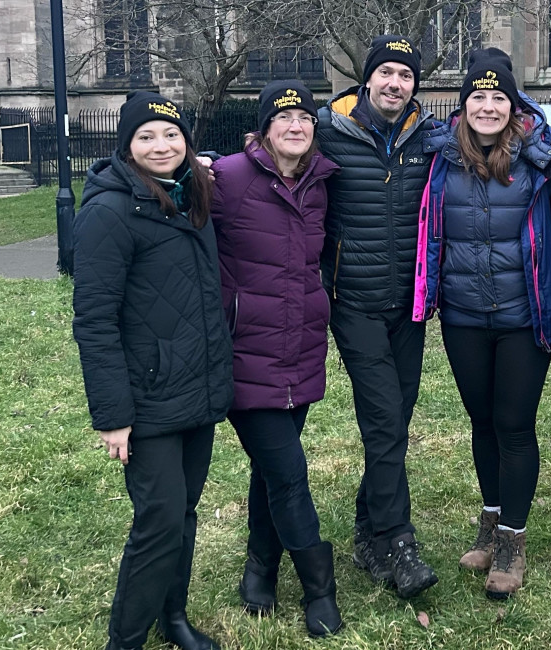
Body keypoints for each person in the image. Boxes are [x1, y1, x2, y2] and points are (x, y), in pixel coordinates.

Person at [72, 91, 233, 650]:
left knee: (183, 513)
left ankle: (175, 618)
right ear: (127, 145)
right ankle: (126, 640)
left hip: (199, 387)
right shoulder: (109, 212)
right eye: (147, 136)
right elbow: (93, 322)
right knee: (159, 521)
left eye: (171, 134)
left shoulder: (194, 195)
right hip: (147, 400)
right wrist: (113, 417)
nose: (161, 145)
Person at [414, 48, 551, 599]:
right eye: (477, 96)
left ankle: (512, 542)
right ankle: (490, 519)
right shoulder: (439, 158)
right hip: (462, 314)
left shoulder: (539, 157)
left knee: (514, 426)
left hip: (524, 316)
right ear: (463, 105)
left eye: (498, 96)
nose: (487, 106)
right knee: (482, 421)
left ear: (513, 103)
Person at [210, 80, 342, 637]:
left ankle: (258, 569)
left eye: (305, 117)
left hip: (301, 349)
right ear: (264, 128)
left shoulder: (319, 183)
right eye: (284, 117)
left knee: (272, 470)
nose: (296, 125)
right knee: (289, 474)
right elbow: (159, 192)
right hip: (247, 354)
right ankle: (320, 591)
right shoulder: (229, 179)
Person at [317, 35, 439, 599]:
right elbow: (272, 156)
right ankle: (398, 540)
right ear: (367, 80)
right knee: (385, 423)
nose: (395, 83)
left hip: (408, 307)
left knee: (397, 421)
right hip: (355, 304)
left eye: (406, 76)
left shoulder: (427, 137)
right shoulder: (328, 132)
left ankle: (367, 531)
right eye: (386, 73)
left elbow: (500, 131)